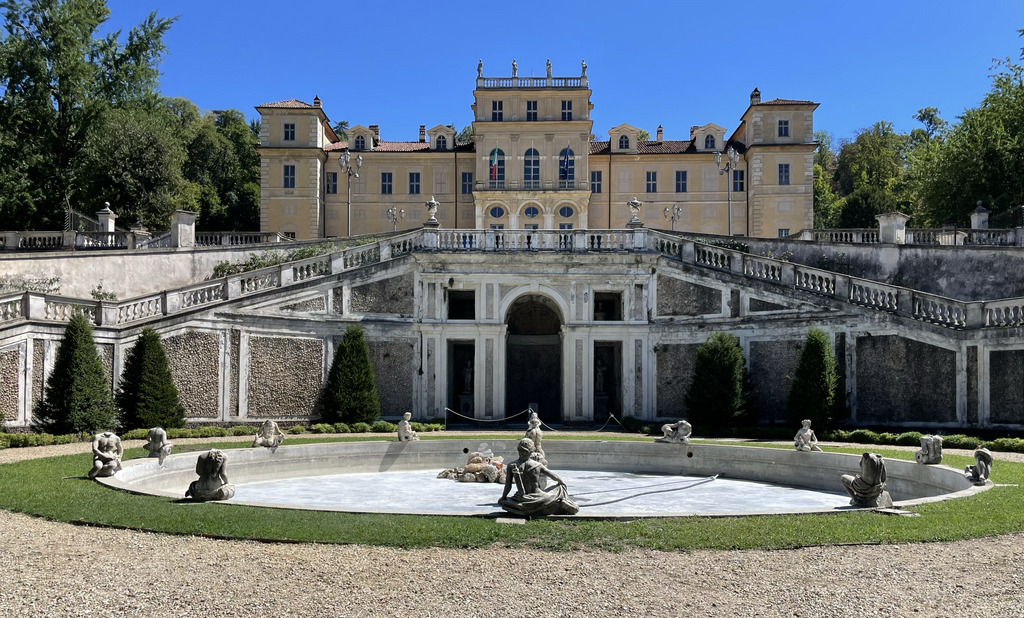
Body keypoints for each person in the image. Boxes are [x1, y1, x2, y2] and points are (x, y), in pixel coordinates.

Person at [498, 438, 578, 517]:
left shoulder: (511, 465)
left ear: (519, 450)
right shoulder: (537, 465)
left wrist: (503, 497)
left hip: (521, 499)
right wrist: (561, 482)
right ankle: (560, 504)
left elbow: (508, 485)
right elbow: (554, 476)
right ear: (531, 451)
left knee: (507, 502)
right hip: (539, 496)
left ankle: (528, 508)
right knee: (559, 486)